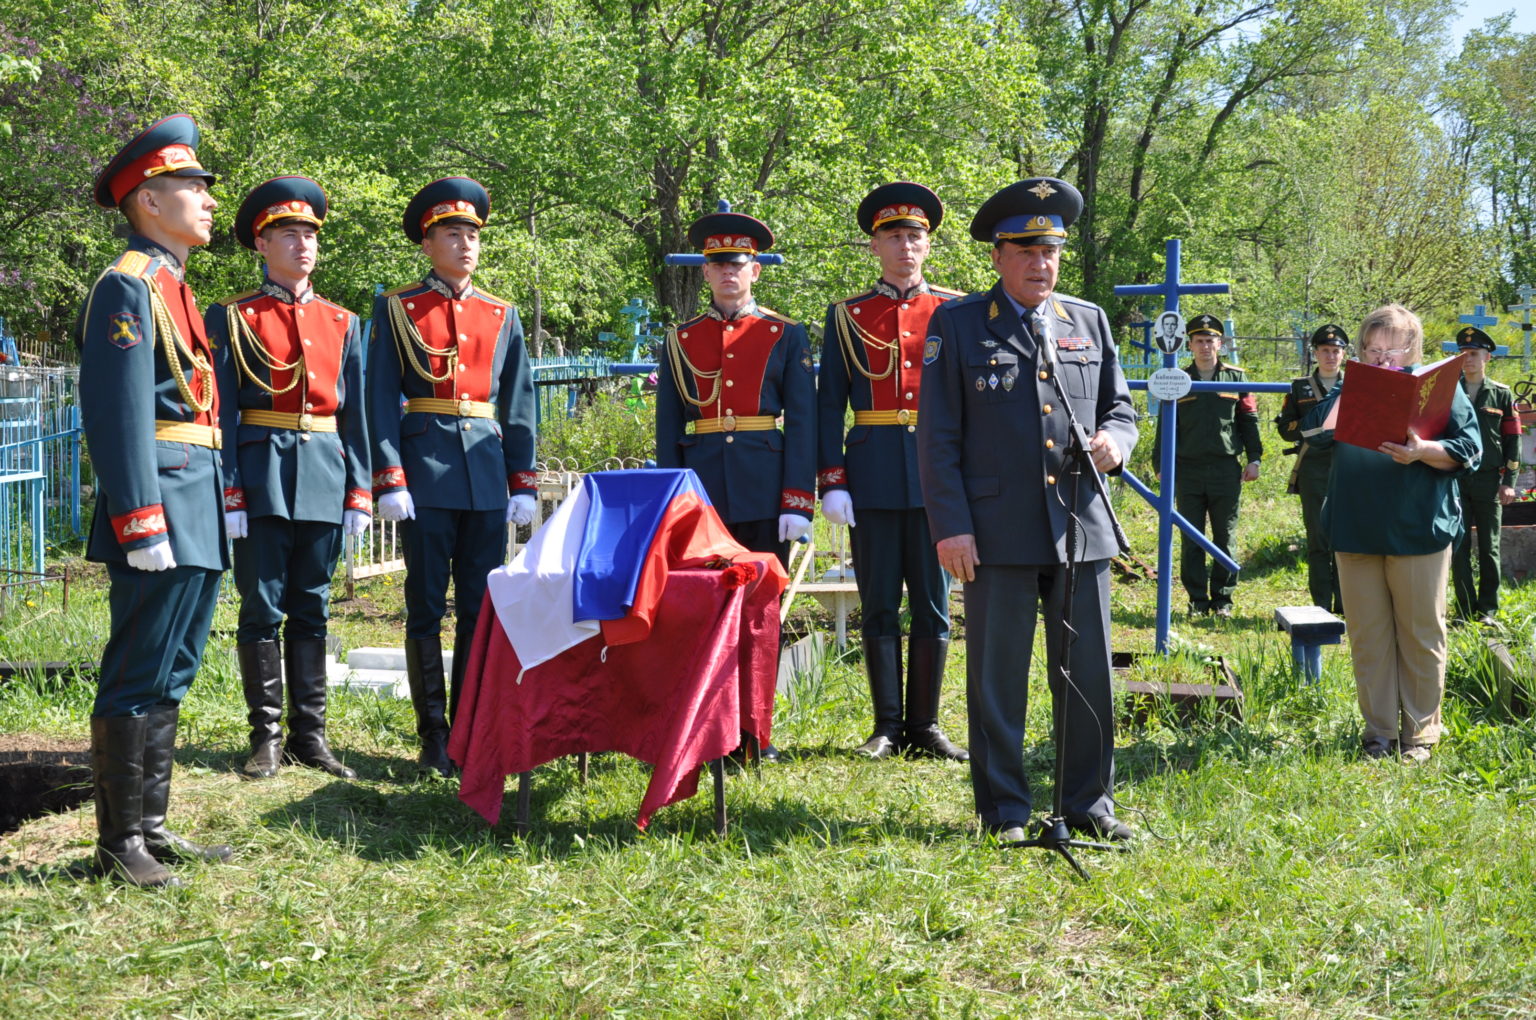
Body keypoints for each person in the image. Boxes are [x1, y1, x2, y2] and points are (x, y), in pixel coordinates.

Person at [916, 177, 1139, 843]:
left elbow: (1121, 408)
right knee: (998, 681)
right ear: (998, 257)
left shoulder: (1088, 320)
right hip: (996, 532)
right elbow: (937, 437)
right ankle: (1005, 810)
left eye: (1051, 250)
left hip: (1081, 527)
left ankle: (1087, 805)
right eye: (1026, 250)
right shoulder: (957, 326)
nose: (1042, 263)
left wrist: (1115, 444)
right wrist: (951, 527)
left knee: (1089, 679)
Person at [75, 114, 232, 887]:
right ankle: (118, 842)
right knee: (137, 668)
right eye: (191, 187)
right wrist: (138, 517)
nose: (207, 200)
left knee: (174, 667)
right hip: (161, 503)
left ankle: (153, 827)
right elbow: (118, 411)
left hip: (194, 498)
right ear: (148, 200)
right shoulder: (126, 285)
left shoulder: (174, 286)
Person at [367, 177, 537, 776]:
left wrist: (523, 482)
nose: (465, 244)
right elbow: (380, 399)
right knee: (423, 607)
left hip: (486, 475)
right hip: (424, 473)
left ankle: (469, 727)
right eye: (451, 234)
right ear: (427, 243)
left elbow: (518, 404)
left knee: (479, 607)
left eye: (472, 234)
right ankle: (432, 733)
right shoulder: (398, 309)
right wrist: (389, 476)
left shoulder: (501, 314)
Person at [208, 176, 371, 781]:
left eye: (309, 234)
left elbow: (356, 414)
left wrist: (360, 489)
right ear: (262, 243)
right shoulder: (232, 316)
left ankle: (312, 735)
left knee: (314, 606)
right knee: (262, 606)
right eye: (287, 234)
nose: (302, 244)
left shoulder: (343, 322)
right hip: (261, 474)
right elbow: (219, 410)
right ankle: (267, 737)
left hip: (326, 473)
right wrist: (229, 491)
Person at [655, 209, 815, 762]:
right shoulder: (682, 340)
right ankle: (709, 728)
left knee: (759, 610)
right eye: (718, 264)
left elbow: (805, 422)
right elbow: (667, 431)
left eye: (738, 264)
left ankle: (756, 730)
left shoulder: (785, 334)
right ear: (705, 272)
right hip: (703, 494)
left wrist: (798, 498)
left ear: (755, 272)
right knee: (704, 611)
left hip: (766, 490)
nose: (728, 273)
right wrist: (671, 502)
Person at [817, 182, 967, 762]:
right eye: (893, 237)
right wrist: (832, 480)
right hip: (873, 473)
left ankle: (927, 726)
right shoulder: (848, 316)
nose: (906, 246)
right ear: (874, 247)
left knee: (933, 601)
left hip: (938, 478)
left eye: (915, 236)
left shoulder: (954, 311)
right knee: (878, 600)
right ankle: (886, 727)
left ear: (927, 246)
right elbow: (829, 403)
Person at [1301, 304, 1480, 762]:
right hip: (1355, 526)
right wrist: (1356, 386)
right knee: (1369, 634)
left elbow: (1469, 448)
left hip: (1417, 527)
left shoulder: (1441, 391)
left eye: (1393, 349)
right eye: (1373, 349)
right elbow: (1314, 430)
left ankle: (1420, 735)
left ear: (1413, 349)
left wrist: (1423, 451)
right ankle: (1378, 732)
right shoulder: (1348, 387)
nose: (1383, 357)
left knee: (1420, 632)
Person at [1151, 314, 1263, 617]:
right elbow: (1166, 424)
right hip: (1187, 471)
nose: (1205, 346)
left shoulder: (1237, 378)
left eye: (1210, 340)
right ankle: (1198, 601)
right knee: (1192, 537)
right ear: (1189, 344)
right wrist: (1161, 462)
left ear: (1221, 344)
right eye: (1199, 341)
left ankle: (1223, 600)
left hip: (1225, 470)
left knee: (1225, 537)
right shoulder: (1177, 379)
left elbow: (1248, 421)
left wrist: (1254, 458)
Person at [1274, 324, 1348, 613]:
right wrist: (1314, 428)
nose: (1330, 356)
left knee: (1345, 540)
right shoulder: (1299, 387)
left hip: (1349, 469)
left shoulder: (1356, 384)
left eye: (1336, 350)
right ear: (1315, 353)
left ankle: (1345, 604)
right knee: (1318, 539)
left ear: (1343, 354)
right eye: (1325, 350)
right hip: (1313, 470)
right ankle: (1320, 606)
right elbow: (1285, 428)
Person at [1450, 326, 1520, 626]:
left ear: (1487, 357)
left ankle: (1488, 609)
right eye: (1464, 354)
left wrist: (1509, 483)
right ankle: (1464, 610)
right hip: (1454, 478)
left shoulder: (1501, 394)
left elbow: (1513, 440)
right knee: (1458, 546)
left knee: (1489, 546)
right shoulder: (1449, 390)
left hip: (1489, 480)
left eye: (1474, 354)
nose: (1468, 359)